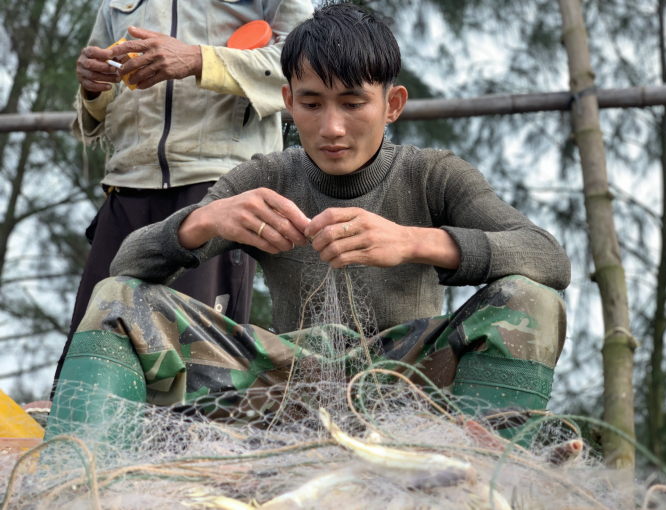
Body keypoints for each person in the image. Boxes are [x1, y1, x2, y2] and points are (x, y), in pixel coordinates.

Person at [47, 3, 570, 437]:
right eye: (313, 104)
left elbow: (547, 257)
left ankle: (488, 470)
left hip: (410, 384)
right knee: (117, 300)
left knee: (531, 300)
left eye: (353, 103)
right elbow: (126, 265)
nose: (332, 127)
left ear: (393, 104)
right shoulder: (265, 176)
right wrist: (205, 221)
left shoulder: (433, 175)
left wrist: (413, 242)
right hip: (285, 385)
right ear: (287, 101)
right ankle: (79, 476)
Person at [53, 0, 314, 393]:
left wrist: (197, 59)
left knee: (197, 377)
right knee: (89, 361)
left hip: (218, 189)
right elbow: (97, 104)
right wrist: (92, 86)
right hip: (126, 186)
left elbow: (305, 69)